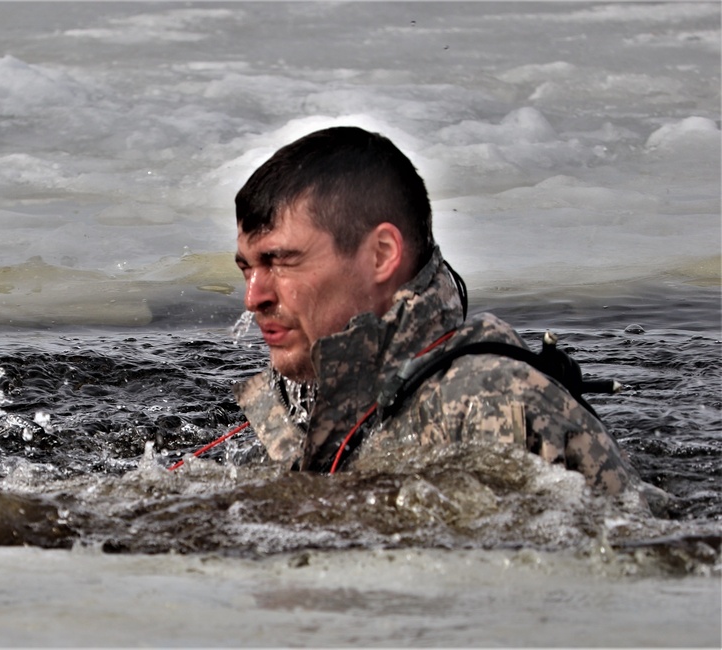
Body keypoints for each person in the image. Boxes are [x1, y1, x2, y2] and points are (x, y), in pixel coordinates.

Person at [231, 125, 652, 501]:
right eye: (247, 268)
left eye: (280, 262)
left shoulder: (495, 402)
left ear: (381, 255)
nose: (254, 297)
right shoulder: (300, 402)